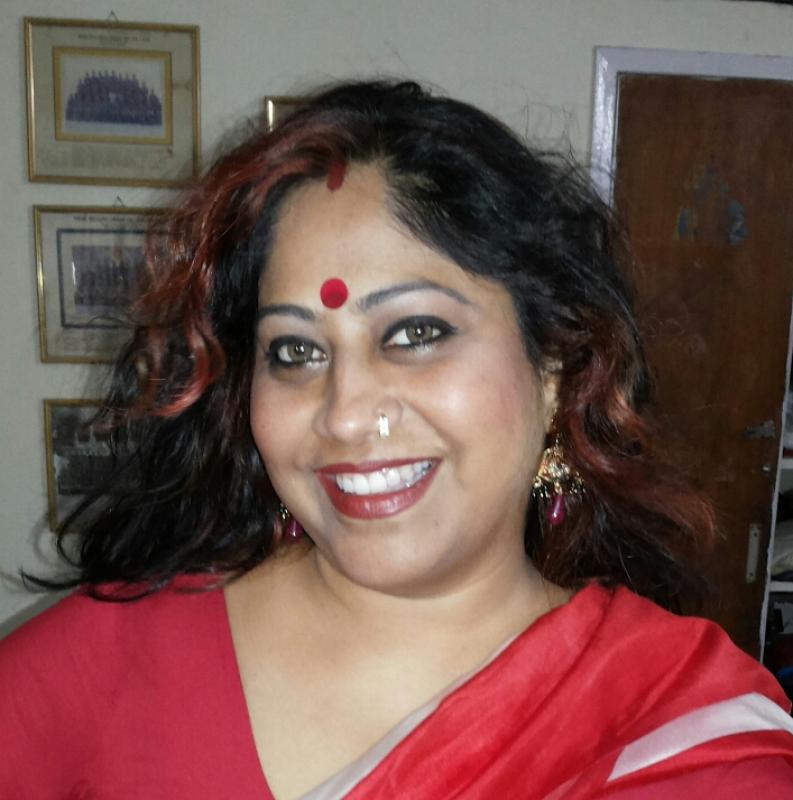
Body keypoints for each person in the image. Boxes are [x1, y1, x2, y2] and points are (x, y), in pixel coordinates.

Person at [1, 80, 792, 799]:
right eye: (295, 352)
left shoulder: (675, 733)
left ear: (556, 365)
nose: (346, 415)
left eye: (415, 333)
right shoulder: (109, 658)